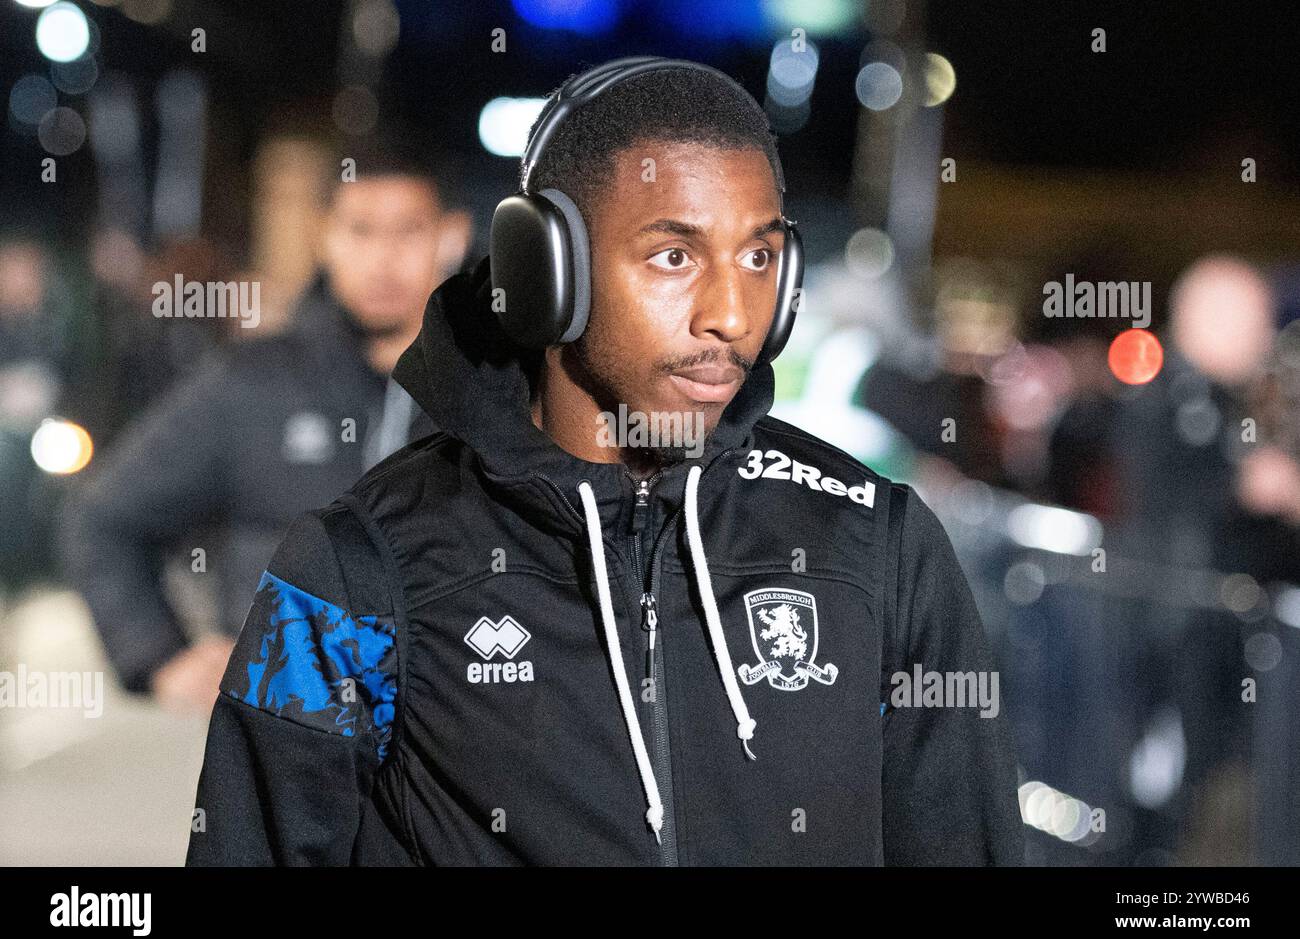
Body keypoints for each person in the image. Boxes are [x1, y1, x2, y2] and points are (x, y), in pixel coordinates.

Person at [186, 59, 1023, 866]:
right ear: (546, 269)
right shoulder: (351, 570)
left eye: (760, 257)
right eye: (674, 256)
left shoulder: (882, 548)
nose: (733, 314)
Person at [61, 135, 471, 714]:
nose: (384, 259)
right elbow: (101, 518)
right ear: (324, 234)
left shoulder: (494, 391)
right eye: (360, 230)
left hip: (453, 744)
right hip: (286, 748)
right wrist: (157, 655)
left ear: (450, 236)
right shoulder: (251, 383)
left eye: (408, 231)